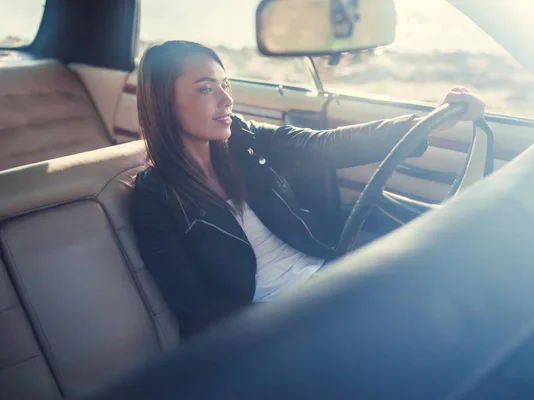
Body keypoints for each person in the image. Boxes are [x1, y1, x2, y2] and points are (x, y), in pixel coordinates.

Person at [131, 40, 485, 339]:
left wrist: (427, 124)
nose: (226, 100)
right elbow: (196, 313)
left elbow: (326, 145)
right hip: (273, 326)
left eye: (226, 85)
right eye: (206, 88)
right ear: (164, 103)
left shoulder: (243, 138)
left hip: (327, 277)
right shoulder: (153, 197)